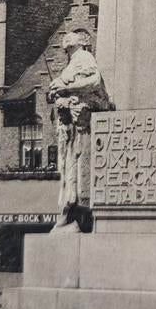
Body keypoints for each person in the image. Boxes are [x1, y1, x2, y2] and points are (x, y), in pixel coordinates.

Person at [48, 31, 111, 232]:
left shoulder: (84, 57)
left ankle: (76, 215)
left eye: (73, 36)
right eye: (65, 36)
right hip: (69, 125)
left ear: (83, 42)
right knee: (69, 170)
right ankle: (71, 213)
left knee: (78, 168)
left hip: (81, 123)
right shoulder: (72, 63)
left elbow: (94, 80)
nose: (67, 37)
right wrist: (55, 90)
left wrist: (68, 89)